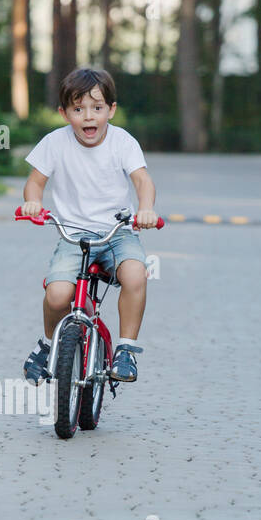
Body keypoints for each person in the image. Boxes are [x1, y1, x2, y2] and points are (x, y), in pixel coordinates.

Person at [22, 67, 159, 384]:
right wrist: (34, 203)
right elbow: (35, 183)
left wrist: (146, 209)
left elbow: (142, 181)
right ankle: (47, 343)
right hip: (73, 235)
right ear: (63, 112)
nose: (88, 117)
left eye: (97, 108)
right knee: (57, 295)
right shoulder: (54, 143)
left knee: (136, 273)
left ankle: (126, 349)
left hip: (117, 232)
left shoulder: (123, 142)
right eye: (78, 109)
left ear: (111, 110)